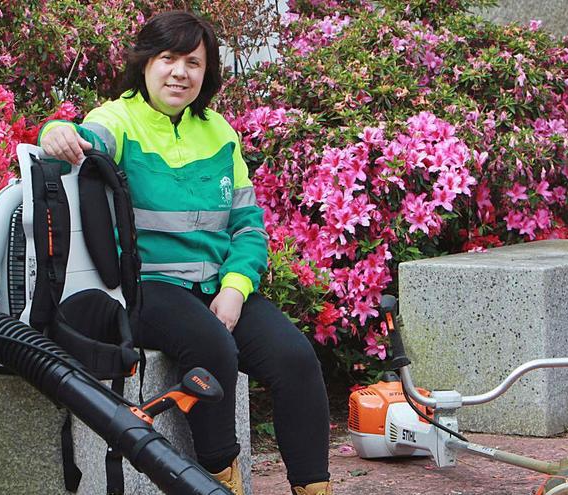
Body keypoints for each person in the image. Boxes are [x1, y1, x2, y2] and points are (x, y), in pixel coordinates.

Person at [40, 11, 332, 495]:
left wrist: (236, 288)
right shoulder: (117, 119)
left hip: (217, 284)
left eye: (193, 62)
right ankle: (221, 480)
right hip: (149, 286)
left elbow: (248, 226)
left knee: (296, 358)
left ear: (207, 72)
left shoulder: (220, 132)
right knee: (213, 346)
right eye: (168, 58)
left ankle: (313, 488)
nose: (180, 72)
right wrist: (56, 129)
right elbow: (82, 142)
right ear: (145, 63)